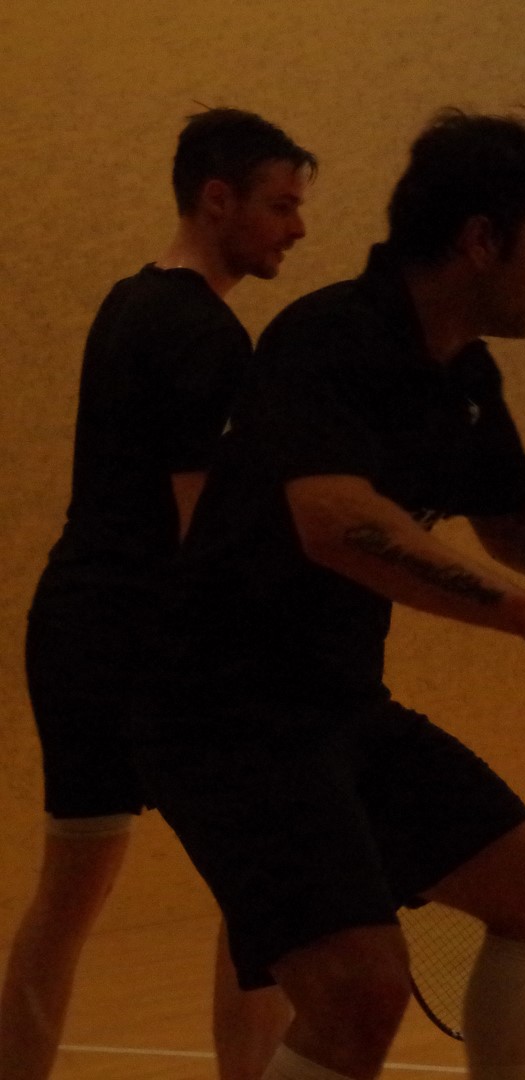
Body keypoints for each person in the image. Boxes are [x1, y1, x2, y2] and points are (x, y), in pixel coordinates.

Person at [131, 110, 525, 1080]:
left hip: (338, 707)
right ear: (480, 240)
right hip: (222, 717)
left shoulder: (463, 373)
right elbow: (335, 520)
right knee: (358, 990)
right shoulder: (327, 339)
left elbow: (515, 524)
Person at [0, 109, 315, 1080]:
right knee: (264, 884)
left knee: (65, 903)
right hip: (150, 646)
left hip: (72, 630)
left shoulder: (127, 303)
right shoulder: (205, 334)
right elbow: (200, 531)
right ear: (217, 199)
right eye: (280, 206)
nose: (296, 228)